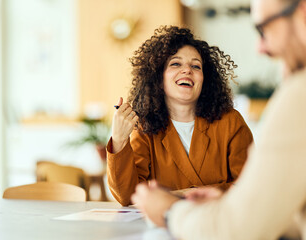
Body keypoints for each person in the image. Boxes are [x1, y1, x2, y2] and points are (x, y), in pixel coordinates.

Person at [131, 0, 306, 239]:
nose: (260, 47)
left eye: (263, 28)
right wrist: (229, 204)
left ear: (302, 12)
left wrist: (170, 211)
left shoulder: (298, 95)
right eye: (175, 64)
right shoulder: (142, 126)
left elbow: (238, 229)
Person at [107, 25, 253, 206]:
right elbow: (128, 197)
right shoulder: (145, 126)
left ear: (204, 79)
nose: (187, 70)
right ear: (158, 77)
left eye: (196, 66)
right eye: (176, 63)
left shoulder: (231, 121)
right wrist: (119, 140)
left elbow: (250, 186)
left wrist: (191, 194)